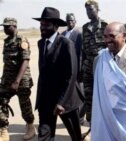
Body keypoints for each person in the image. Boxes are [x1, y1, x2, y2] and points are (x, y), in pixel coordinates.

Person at [33, 7, 82, 141]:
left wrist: (62, 102)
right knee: (44, 136)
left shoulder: (66, 44)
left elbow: (71, 75)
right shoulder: (41, 43)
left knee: (76, 137)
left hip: (65, 100)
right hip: (46, 100)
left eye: (46, 25)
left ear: (56, 26)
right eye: (41, 24)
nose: (42, 28)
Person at [0, 17, 36, 141]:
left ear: (14, 26)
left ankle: (30, 127)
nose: (4, 28)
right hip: (7, 80)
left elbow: (25, 61)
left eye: (7, 26)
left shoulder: (22, 40)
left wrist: (17, 81)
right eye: (3, 26)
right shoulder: (6, 41)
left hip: (21, 81)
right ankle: (3, 130)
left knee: (24, 104)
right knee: (1, 102)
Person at [81, 0, 107, 138]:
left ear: (97, 10)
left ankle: (104, 128)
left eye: (91, 10)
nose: (89, 13)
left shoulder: (105, 26)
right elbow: (83, 51)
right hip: (88, 68)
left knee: (103, 98)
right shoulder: (85, 27)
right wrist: (81, 69)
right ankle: (92, 128)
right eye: (87, 11)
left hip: (102, 67)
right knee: (89, 98)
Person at [61, 13, 85, 123]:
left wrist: (80, 69)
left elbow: (80, 53)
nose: (70, 22)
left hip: (76, 68)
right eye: (68, 20)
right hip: (65, 68)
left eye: (72, 21)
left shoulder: (78, 34)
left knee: (79, 92)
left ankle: (80, 117)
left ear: (75, 22)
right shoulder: (62, 34)